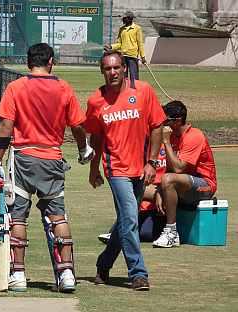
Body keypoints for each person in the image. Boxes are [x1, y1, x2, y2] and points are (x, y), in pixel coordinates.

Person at [0, 43, 94, 292]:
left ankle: (18, 275)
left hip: (23, 158)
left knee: (18, 217)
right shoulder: (63, 88)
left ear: (28, 62)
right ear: (51, 62)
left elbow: (5, 127)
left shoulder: (16, 87)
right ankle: (66, 273)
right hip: (52, 159)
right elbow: (77, 125)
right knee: (58, 215)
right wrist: (83, 149)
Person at [85, 51, 165, 291]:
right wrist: (94, 168)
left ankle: (104, 263)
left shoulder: (143, 91)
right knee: (131, 218)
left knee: (125, 222)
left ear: (124, 68)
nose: (113, 73)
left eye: (117, 67)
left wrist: (151, 162)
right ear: (102, 71)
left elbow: (157, 126)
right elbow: (96, 137)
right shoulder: (96, 101)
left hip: (141, 168)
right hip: (116, 169)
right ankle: (138, 273)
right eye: (108, 69)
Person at [153, 100, 217, 248]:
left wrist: (166, 142)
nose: (162, 124)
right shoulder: (173, 137)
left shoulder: (194, 136)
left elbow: (178, 169)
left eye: (166, 120)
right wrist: (159, 191)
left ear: (177, 121)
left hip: (204, 186)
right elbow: (170, 170)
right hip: (183, 185)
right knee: (140, 188)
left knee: (168, 180)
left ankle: (171, 232)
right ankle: (121, 230)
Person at [98, 144, 167, 244]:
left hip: (163, 205)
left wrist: (161, 191)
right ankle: (120, 233)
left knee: (145, 232)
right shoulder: (140, 144)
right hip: (142, 205)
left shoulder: (174, 142)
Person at [104, 11, 146, 82]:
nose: (122, 20)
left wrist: (143, 57)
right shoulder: (121, 29)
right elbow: (119, 43)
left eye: (124, 18)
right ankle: (125, 91)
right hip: (123, 56)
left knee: (134, 76)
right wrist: (111, 47)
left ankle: (135, 91)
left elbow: (140, 43)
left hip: (132, 56)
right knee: (123, 77)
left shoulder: (137, 28)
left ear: (130, 18)